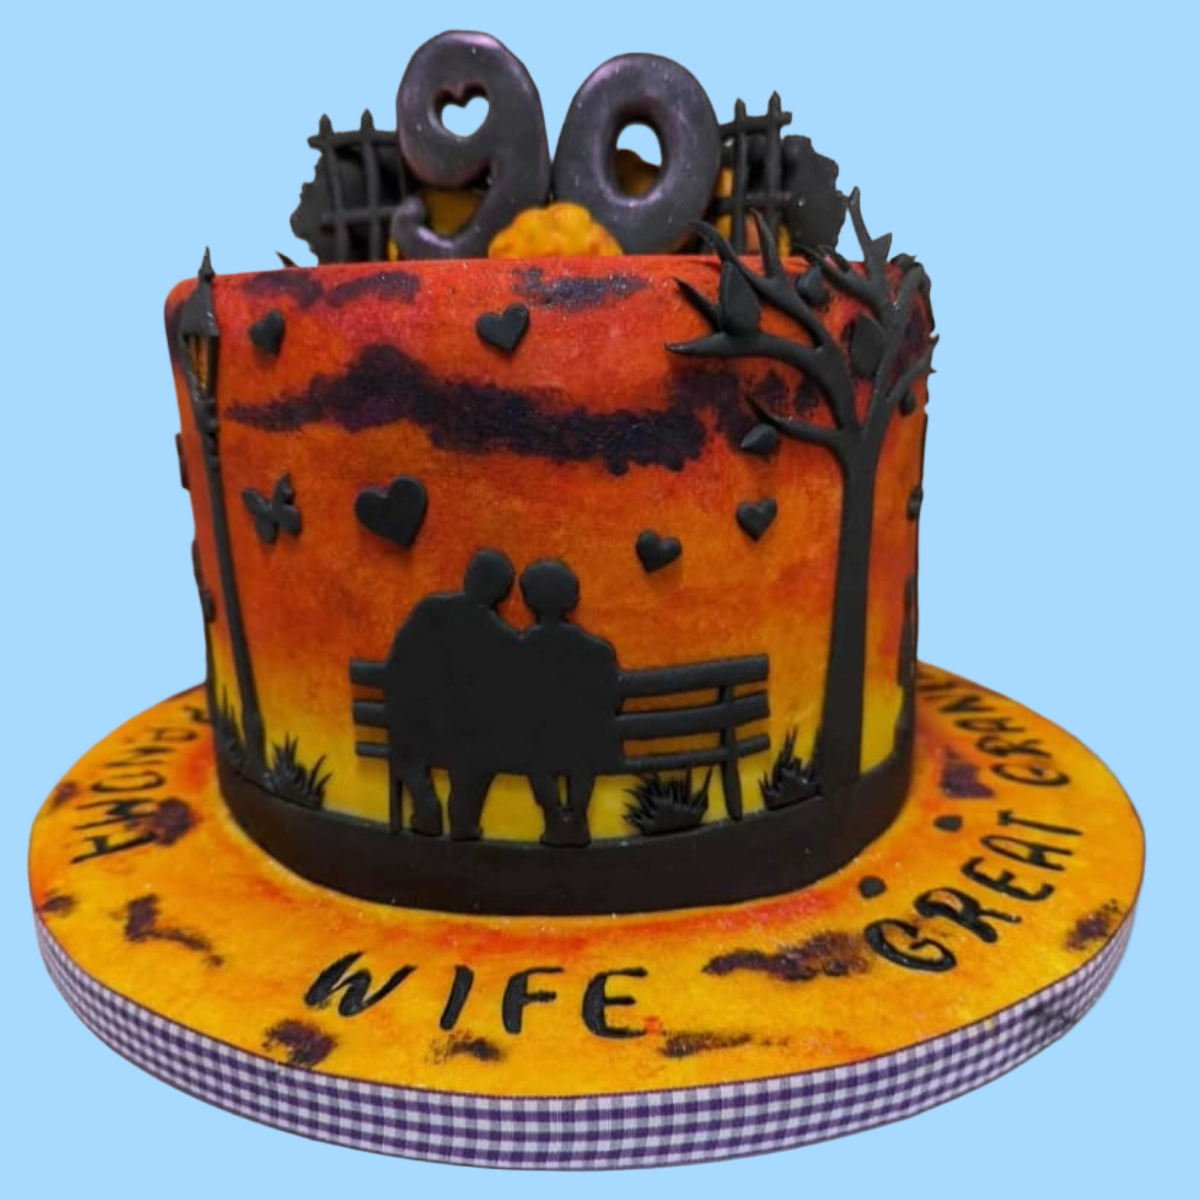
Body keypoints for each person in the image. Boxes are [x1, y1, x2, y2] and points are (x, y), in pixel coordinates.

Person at [383, 549, 520, 839]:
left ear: (468, 577)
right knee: (479, 754)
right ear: (503, 594)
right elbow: (508, 699)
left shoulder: (430, 610)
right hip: (468, 744)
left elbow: (398, 667)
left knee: (406, 749)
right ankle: (464, 821)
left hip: (420, 733)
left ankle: (424, 804)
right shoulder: (503, 637)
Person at [518, 560, 621, 847]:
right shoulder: (597, 650)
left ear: (529, 600)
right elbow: (612, 697)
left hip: (539, 743)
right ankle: (576, 819)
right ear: (574, 599)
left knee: (536, 757)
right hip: (588, 743)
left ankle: (554, 819)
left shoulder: (520, 649)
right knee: (582, 758)